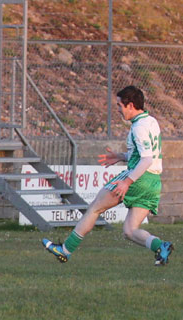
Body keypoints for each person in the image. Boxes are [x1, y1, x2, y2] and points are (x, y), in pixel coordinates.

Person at [42, 86, 173, 266]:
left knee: (96, 207)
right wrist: (121, 156)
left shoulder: (138, 128)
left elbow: (146, 160)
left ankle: (65, 250)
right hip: (153, 182)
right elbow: (146, 155)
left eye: (120, 105)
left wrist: (127, 182)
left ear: (131, 105)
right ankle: (161, 246)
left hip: (138, 178)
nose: (118, 109)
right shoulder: (151, 122)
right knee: (130, 230)